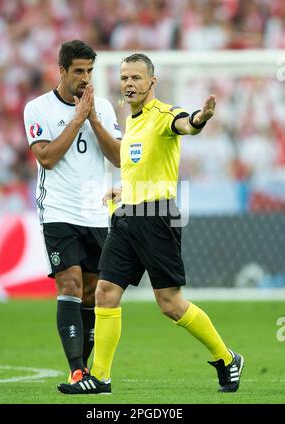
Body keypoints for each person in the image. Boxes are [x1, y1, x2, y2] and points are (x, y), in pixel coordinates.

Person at [58, 53, 244, 395]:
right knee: (105, 292)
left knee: (170, 304)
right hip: (127, 215)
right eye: (125, 78)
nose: (129, 84)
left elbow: (186, 124)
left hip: (157, 217)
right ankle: (100, 377)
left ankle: (226, 358)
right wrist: (122, 190)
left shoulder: (162, 115)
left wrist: (202, 117)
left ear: (152, 82)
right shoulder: (133, 123)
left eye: (136, 78)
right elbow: (140, 169)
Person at [23, 40, 121, 387]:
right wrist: (76, 118)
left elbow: (120, 157)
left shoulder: (105, 108)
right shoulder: (37, 109)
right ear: (61, 70)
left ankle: (86, 374)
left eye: (90, 71)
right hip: (58, 209)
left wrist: (92, 119)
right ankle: (77, 369)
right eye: (78, 71)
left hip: (95, 212)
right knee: (71, 284)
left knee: (94, 291)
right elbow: (47, 157)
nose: (85, 78)